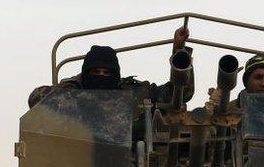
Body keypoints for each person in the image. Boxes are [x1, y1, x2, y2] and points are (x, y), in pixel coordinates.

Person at [27, 26, 192, 109]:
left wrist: (179, 49)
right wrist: (75, 96)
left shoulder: (132, 93)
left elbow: (180, 93)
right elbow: (35, 99)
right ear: (85, 74)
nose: (101, 76)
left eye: (107, 73)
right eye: (96, 72)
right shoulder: (72, 92)